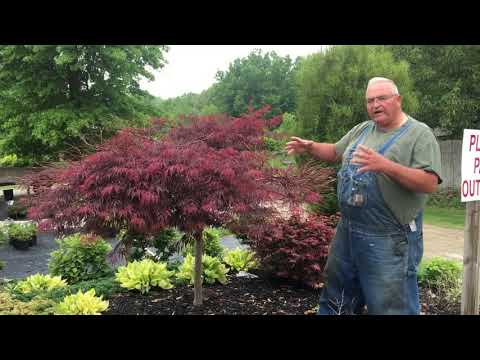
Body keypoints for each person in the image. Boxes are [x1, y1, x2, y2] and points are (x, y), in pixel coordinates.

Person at [286, 77, 442, 315]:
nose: (375, 105)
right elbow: (336, 151)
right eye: (370, 100)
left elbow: (429, 183)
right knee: (336, 300)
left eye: (381, 98)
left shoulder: (419, 134)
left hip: (389, 237)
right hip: (348, 231)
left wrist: (385, 165)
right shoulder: (363, 129)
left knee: (390, 307)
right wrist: (311, 147)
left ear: (398, 100)